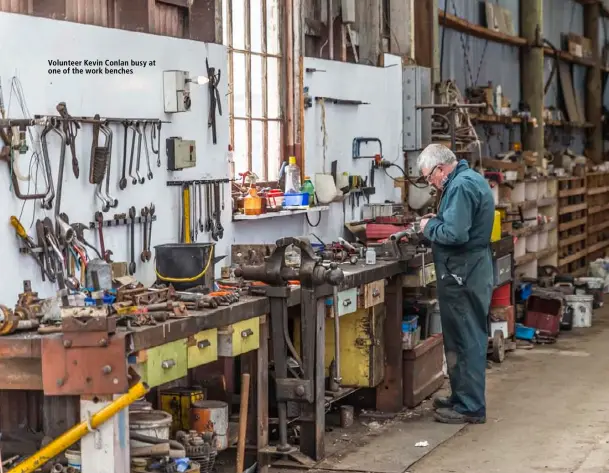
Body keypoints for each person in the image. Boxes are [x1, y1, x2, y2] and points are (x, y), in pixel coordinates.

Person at [417, 144, 495, 425]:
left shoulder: (460, 186)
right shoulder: (467, 180)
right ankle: (461, 397)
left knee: (467, 339)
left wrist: (428, 228)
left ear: (441, 168)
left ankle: (471, 406)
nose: (432, 184)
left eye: (430, 178)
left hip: (464, 273)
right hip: (466, 270)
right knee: (460, 337)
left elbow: (455, 233)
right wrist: (438, 220)